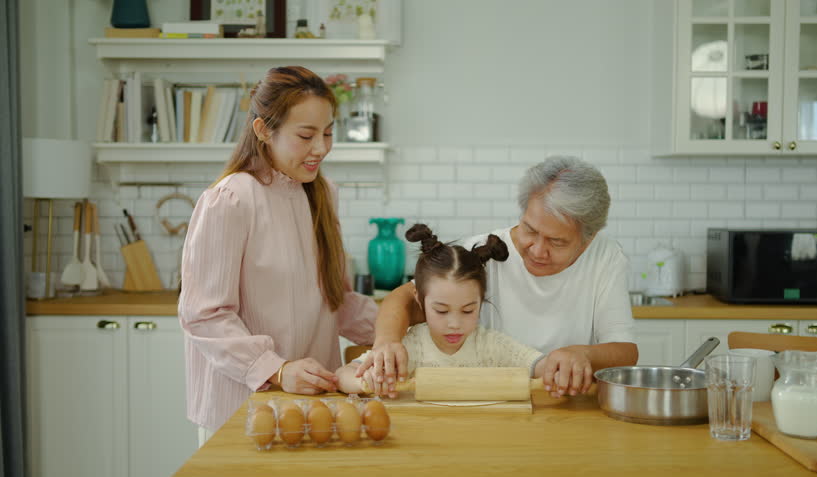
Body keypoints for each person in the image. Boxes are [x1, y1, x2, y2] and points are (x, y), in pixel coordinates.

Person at [178, 66, 377, 443]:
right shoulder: (232, 198)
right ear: (263, 131)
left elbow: (336, 302)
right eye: (306, 135)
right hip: (240, 410)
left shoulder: (322, 194)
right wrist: (278, 370)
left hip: (315, 405)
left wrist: (401, 324)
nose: (321, 148)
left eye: (328, 133)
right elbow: (204, 314)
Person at [356, 156, 637, 398]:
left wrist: (584, 355)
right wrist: (387, 342)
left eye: (557, 242)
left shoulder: (605, 256)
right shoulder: (484, 251)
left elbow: (625, 351)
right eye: (529, 229)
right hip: (493, 402)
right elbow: (405, 296)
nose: (538, 250)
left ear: (588, 240)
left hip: (562, 401)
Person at [337, 224, 545, 396]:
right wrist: (365, 381)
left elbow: (538, 364)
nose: (454, 324)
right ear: (419, 300)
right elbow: (343, 375)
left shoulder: (490, 345)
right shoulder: (412, 346)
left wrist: (561, 366)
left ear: (481, 301)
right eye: (442, 311)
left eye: (467, 311)